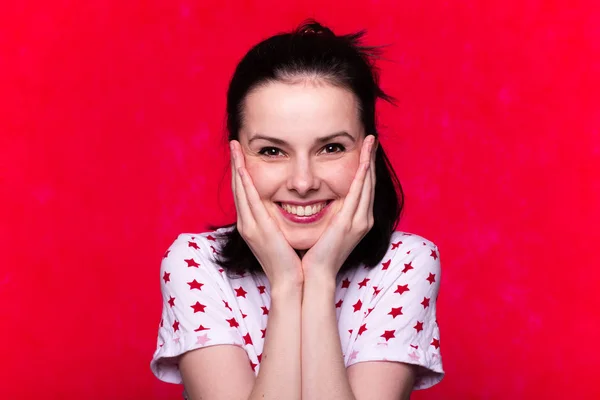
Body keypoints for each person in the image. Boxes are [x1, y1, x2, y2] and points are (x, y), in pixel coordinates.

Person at [150, 19, 444, 399]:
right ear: (237, 155)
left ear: (368, 153)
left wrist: (319, 279)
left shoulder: (406, 263)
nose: (303, 182)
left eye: (332, 148)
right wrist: (288, 286)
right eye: (272, 151)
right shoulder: (195, 263)